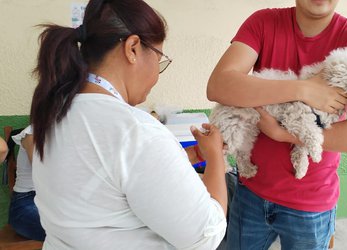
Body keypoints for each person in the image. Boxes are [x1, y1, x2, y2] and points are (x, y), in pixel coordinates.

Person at [30, 0, 227, 249]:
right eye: (159, 58)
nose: (157, 74)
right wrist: (216, 158)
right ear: (132, 48)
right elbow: (205, 235)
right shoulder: (137, 130)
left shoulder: (54, 113)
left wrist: (179, 158)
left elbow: (104, 180)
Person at [206, 0, 347, 249]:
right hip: (250, 192)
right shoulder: (262, 23)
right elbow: (219, 86)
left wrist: (284, 135)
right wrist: (305, 89)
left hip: (311, 204)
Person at [8, 126, 46, 241]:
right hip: (27, 201)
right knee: (72, 231)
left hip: (57, 202)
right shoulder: (32, 133)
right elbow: (45, 176)